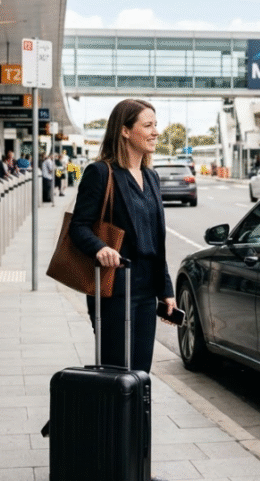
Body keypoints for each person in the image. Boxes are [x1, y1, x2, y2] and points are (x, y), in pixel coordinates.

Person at [68, 98, 177, 374]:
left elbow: (156, 241)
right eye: (148, 125)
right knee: (116, 375)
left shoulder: (151, 177)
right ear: (125, 131)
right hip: (114, 290)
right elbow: (78, 226)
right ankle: (104, 420)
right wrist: (100, 248)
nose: (156, 132)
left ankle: (136, 420)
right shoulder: (101, 173)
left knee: (140, 375)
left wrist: (166, 292)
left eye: (156, 125)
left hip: (146, 293)